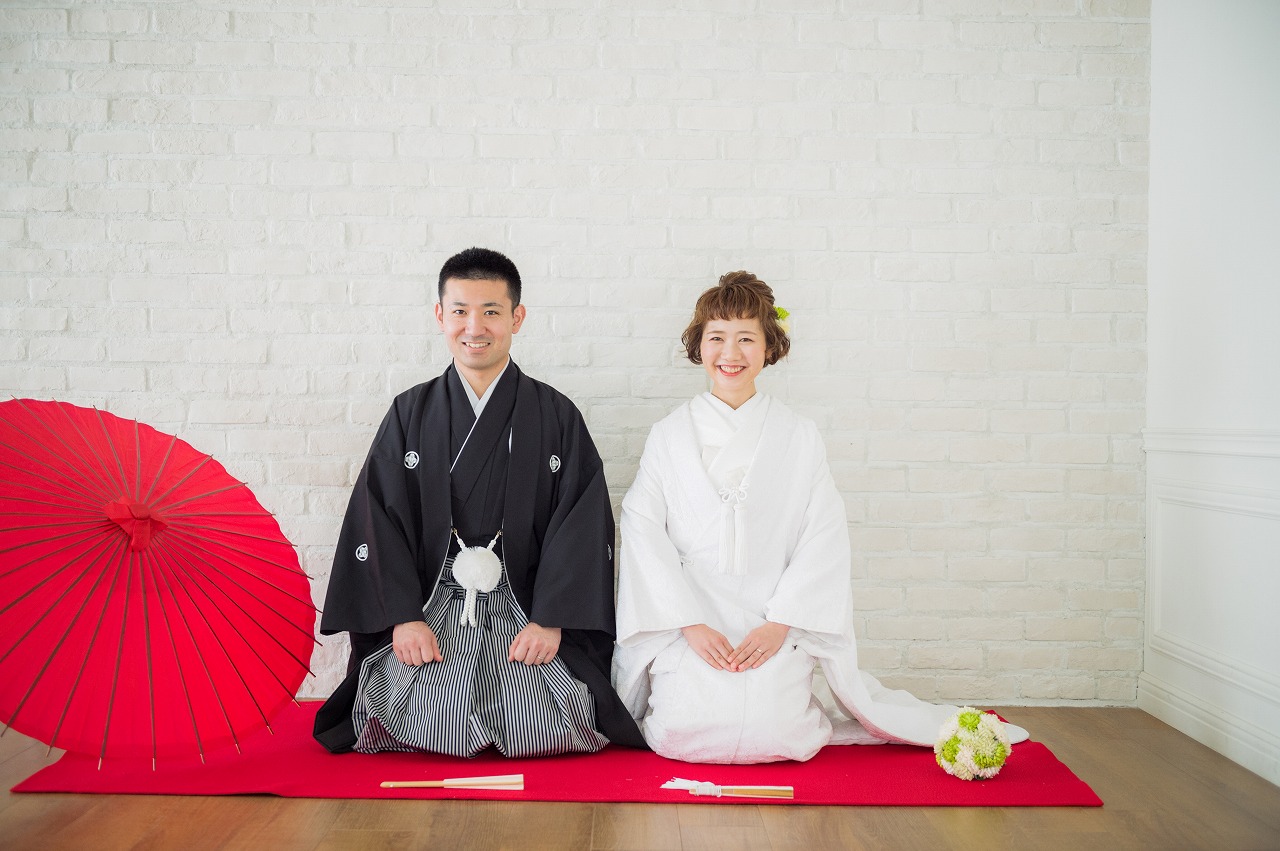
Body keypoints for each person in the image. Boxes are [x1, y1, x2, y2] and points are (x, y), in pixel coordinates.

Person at [612, 271, 1029, 763]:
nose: (731, 353)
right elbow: (641, 529)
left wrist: (782, 625)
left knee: (776, 726)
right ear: (698, 346)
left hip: (772, 621)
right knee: (686, 728)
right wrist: (689, 626)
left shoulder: (798, 435)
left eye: (747, 338)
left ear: (770, 348)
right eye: (717, 337)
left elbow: (823, 535)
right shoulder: (669, 435)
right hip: (694, 622)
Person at [314, 247, 645, 756]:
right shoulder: (411, 411)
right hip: (434, 604)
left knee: (548, 724)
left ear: (517, 317)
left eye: (491, 311)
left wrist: (553, 618)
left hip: (526, 605)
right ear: (439, 316)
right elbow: (375, 517)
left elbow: (582, 523)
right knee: (412, 715)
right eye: (461, 312)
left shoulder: (554, 414)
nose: (475, 327)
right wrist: (403, 616)